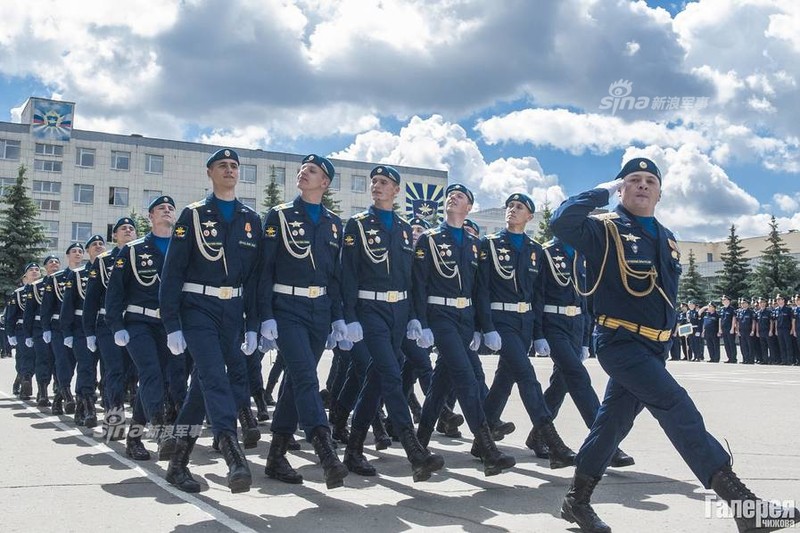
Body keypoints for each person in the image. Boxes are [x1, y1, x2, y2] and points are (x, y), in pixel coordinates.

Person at [551, 157, 795, 532]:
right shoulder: (603, 230)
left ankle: (576, 501)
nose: (643, 185)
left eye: (650, 180)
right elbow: (561, 222)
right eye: (633, 180)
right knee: (679, 409)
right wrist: (599, 193)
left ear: (660, 192)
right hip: (620, 342)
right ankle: (743, 504)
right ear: (621, 188)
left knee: (611, 425)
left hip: (654, 348)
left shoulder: (666, 237)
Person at [160, 148, 262, 494]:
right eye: (223, 165)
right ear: (210, 173)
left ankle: (177, 463)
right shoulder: (193, 215)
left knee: (203, 388)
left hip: (232, 311)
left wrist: (254, 323)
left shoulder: (251, 218)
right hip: (198, 307)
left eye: (234, 166)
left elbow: (255, 279)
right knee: (215, 377)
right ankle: (233, 455)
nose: (230, 170)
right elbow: (172, 272)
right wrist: (172, 322)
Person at [339, 165, 444, 481]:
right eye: (374, 182)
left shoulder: (402, 228)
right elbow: (347, 274)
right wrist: (350, 317)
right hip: (370, 308)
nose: (377, 186)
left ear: (397, 190)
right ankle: (414, 451)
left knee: (376, 378)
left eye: (384, 182)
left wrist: (414, 316)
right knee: (389, 373)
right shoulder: (357, 225)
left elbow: (408, 277)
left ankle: (354, 449)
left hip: (399, 311)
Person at [410, 183, 515, 476]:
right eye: (450, 195)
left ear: (468, 207)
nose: (453, 197)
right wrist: (421, 321)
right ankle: (487, 449)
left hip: (465, 318)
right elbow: (418, 283)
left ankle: (419, 447)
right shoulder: (429, 239)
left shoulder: (473, 245)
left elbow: (480, 289)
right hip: (439, 315)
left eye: (460, 197)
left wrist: (483, 327)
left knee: (439, 386)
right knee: (467, 379)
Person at [259, 154, 348, 489]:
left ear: (324, 182)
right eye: (301, 169)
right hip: (288, 307)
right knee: (307, 377)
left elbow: (335, 276)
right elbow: (264, 269)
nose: (302, 173)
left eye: (310, 171)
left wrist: (337, 317)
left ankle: (276, 456)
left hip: (320, 310)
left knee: (297, 382)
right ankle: (325, 450)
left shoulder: (334, 223)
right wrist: (265, 314)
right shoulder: (279, 216)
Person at [476, 193, 576, 469]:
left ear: (529, 217)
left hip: (525, 323)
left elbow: (538, 295)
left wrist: (539, 333)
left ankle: (480, 439)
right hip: (502, 320)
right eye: (509, 206)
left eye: (519, 207)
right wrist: (485, 327)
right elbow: (482, 289)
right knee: (527, 377)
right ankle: (551, 439)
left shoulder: (535, 250)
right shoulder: (491, 244)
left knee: (502, 382)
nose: (512, 210)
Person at [106, 198, 182, 463]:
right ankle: (161, 431)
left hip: (169, 326)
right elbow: (115, 291)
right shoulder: (133, 249)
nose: (167, 211)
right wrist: (116, 325)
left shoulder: (181, 247)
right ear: (150, 216)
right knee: (151, 373)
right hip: (138, 322)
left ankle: (134, 438)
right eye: (161, 208)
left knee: (156, 378)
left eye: (171, 208)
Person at [83, 217, 137, 440]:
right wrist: (89, 331)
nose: (128, 230)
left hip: (137, 323)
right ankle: (114, 418)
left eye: (131, 228)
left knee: (134, 372)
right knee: (114, 370)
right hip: (109, 325)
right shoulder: (103, 261)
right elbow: (92, 299)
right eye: (123, 228)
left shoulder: (143, 255)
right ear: (114, 235)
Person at [61, 234, 106, 427]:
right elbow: (68, 307)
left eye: (101, 244)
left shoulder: (112, 270)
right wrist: (67, 332)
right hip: (81, 328)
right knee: (86, 367)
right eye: (93, 244)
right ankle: (88, 407)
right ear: (88, 251)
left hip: (106, 325)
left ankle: (87, 404)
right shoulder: (78, 274)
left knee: (109, 369)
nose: (98, 246)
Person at [41, 243, 86, 415]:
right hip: (58, 327)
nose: (77, 254)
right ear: (67, 256)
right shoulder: (57, 278)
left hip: (79, 326)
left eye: (80, 252)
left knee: (77, 363)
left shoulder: (86, 275)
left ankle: (59, 399)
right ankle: (67, 394)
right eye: (74, 251)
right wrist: (45, 327)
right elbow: (46, 305)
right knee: (63, 362)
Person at [22, 256, 61, 407]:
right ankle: (43, 391)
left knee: (60, 360)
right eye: (51, 262)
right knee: (43, 360)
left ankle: (59, 390)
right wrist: (27, 334)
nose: (54, 264)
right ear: (45, 267)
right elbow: (29, 313)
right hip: (39, 328)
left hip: (58, 327)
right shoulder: (37, 286)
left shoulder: (64, 280)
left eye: (56, 262)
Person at [7, 262, 42, 400]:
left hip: (39, 327)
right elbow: (11, 315)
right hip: (22, 329)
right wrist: (10, 333)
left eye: (37, 269)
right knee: (25, 356)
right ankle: (25, 383)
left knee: (38, 357)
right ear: (25, 275)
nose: (34, 271)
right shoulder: (19, 293)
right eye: (31, 270)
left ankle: (22, 378)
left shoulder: (44, 290)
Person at [734, 298, 756, 365]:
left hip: (748, 331)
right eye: (742, 303)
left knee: (750, 346)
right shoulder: (739, 312)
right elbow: (737, 322)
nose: (743, 305)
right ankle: (745, 359)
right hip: (741, 331)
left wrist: (752, 330)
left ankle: (751, 359)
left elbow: (753, 322)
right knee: (743, 346)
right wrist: (737, 330)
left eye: (744, 303)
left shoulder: (751, 312)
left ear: (747, 304)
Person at [773, 294, 793, 366]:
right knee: (781, 345)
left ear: (783, 300)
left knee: (788, 345)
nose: (778, 301)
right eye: (777, 299)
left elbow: (792, 320)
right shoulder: (776, 310)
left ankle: (790, 360)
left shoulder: (788, 309)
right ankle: (784, 360)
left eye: (779, 299)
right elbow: (775, 321)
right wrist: (775, 330)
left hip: (786, 329)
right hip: (779, 329)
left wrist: (792, 329)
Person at [719, 295, 737, 363]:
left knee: (731, 344)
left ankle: (733, 358)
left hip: (730, 328)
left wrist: (732, 328)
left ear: (728, 301)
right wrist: (720, 328)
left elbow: (734, 318)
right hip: (724, 328)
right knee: (726, 344)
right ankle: (729, 358)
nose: (723, 301)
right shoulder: (722, 309)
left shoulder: (732, 309)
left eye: (724, 300)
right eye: (722, 300)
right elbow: (720, 319)